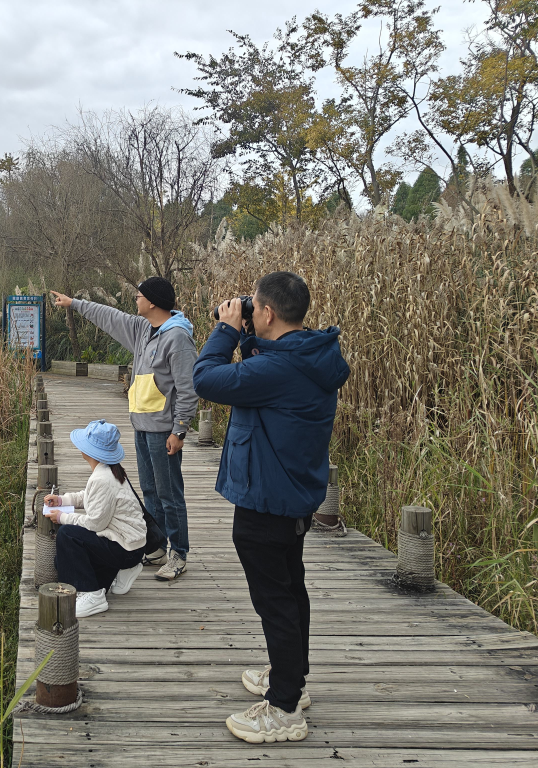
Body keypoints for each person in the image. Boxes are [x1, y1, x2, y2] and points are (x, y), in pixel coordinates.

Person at [192, 271, 349, 744]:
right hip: (291, 496)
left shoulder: (277, 371)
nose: (246, 311)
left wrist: (223, 331)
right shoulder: (306, 356)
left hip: (267, 501)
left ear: (268, 313)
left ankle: (283, 708)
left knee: (275, 603)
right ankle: (291, 678)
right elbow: (261, 371)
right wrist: (245, 336)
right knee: (290, 591)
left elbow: (206, 379)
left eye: (252, 307)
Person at [50, 277, 197, 582]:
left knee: (170, 494)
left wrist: (179, 430)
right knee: (150, 491)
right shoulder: (143, 329)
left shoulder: (178, 338)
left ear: (153, 301)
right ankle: (156, 545)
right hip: (141, 425)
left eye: (139, 295)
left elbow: (188, 388)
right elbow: (109, 316)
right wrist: (74, 304)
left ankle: (178, 553)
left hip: (164, 429)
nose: (135, 299)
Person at [43, 419, 147, 617]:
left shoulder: (102, 478)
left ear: (89, 451)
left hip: (125, 547)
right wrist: (62, 499)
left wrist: (64, 517)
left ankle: (94, 596)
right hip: (130, 544)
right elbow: (88, 496)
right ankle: (118, 571)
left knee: (68, 536)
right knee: (62, 561)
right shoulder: (108, 471)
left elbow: (94, 523)